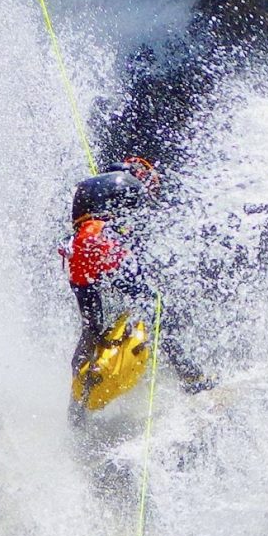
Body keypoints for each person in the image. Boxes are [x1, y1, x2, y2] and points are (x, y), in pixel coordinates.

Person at [62, 158, 214, 394]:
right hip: (103, 243)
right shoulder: (131, 185)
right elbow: (136, 237)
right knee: (154, 307)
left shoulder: (93, 185)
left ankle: (77, 398)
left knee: (91, 327)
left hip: (77, 252)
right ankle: (191, 377)